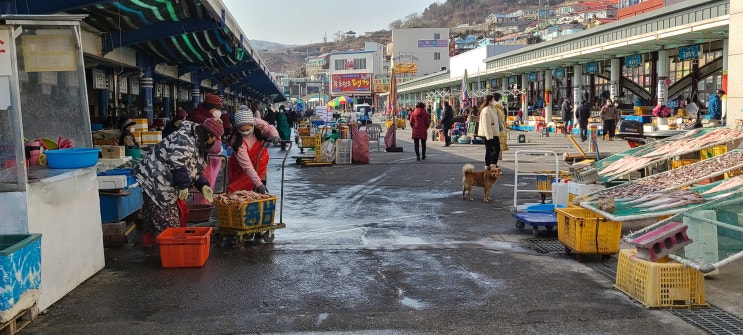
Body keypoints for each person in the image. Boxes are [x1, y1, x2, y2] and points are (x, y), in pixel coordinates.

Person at [133, 118, 223, 247]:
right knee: (169, 224)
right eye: (215, 139)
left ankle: (150, 246)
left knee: (152, 217)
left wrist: (203, 185)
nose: (214, 142)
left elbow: (191, 168)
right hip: (156, 181)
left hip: (160, 181)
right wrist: (183, 185)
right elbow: (177, 162)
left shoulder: (197, 142)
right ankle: (170, 252)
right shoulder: (186, 139)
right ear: (209, 134)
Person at [227, 108, 281, 194]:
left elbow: (270, 128)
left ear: (252, 125)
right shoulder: (237, 142)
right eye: (242, 130)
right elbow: (247, 166)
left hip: (260, 161)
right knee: (239, 193)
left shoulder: (259, 124)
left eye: (247, 129)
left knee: (259, 194)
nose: (245, 133)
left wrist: (275, 135)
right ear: (237, 128)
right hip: (241, 168)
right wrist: (258, 184)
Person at [188, 93, 225, 205]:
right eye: (217, 109)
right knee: (203, 187)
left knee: (206, 186)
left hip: (207, 158)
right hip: (204, 158)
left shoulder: (208, 119)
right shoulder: (200, 120)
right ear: (212, 108)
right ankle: (202, 210)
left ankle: (204, 209)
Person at [477, 94, 501, 168]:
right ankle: (488, 166)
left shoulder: (492, 109)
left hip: (493, 133)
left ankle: (493, 165)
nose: (495, 101)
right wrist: (489, 136)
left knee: (497, 149)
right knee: (489, 150)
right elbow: (486, 124)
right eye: (493, 100)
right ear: (489, 101)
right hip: (488, 134)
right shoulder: (486, 110)